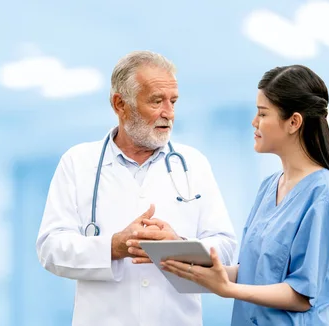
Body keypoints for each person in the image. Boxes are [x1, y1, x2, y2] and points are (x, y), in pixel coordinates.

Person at [35, 50, 237, 326]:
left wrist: (178, 246)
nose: (169, 113)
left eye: (173, 101)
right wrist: (113, 247)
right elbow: (51, 248)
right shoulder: (77, 163)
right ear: (120, 104)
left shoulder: (194, 164)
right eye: (157, 101)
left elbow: (225, 247)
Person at [161, 65, 329, 326]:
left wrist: (228, 289)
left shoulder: (326, 196)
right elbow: (255, 274)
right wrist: (185, 259)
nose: (254, 122)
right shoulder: (269, 187)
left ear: (294, 122)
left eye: (262, 113)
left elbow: (301, 294)